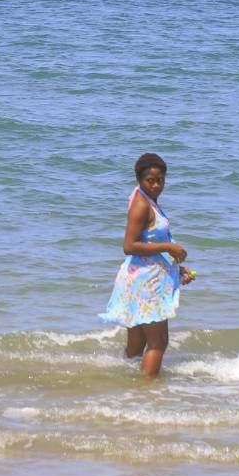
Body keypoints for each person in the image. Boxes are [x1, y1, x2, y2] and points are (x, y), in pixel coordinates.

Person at [99, 153, 194, 377]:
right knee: (158, 342)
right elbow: (130, 246)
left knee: (137, 342)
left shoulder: (145, 199)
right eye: (150, 180)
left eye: (160, 179)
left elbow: (148, 240)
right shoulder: (141, 205)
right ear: (139, 180)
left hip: (140, 278)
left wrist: (176, 269)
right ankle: (148, 392)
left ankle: (127, 387)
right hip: (146, 283)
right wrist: (169, 248)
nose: (156, 185)